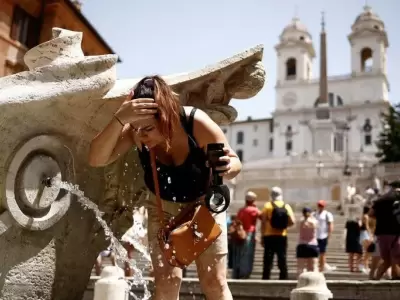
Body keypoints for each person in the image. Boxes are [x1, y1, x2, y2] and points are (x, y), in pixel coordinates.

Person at [89, 75, 242, 300]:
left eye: (148, 128)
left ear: (166, 116)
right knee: (167, 281)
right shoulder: (135, 131)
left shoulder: (195, 122)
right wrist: (119, 119)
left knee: (214, 282)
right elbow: (96, 159)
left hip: (205, 206)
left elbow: (236, 163)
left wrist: (228, 166)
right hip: (162, 207)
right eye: (137, 128)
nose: (142, 135)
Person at [260, 186, 295, 280]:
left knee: (268, 259)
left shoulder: (267, 206)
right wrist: (283, 226)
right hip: (282, 236)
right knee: (282, 257)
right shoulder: (286, 206)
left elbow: (263, 222)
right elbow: (292, 221)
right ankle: (283, 277)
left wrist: (262, 236)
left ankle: (266, 278)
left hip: (269, 236)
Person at [232, 191, 261, 279]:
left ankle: (237, 272)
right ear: (253, 201)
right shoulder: (254, 210)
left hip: (240, 234)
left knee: (239, 254)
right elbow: (263, 217)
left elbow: (237, 221)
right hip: (249, 233)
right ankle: (244, 273)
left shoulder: (241, 210)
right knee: (247, 254)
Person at [296, 207, 319, 277]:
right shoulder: (314, 221)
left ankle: (300, 281)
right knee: (313, 267)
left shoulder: (300, 221)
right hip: (312, 245)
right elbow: (317, 227)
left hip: (302, 244)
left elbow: (297, 228)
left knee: (300, 267)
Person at [314, 200, 336, 272]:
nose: (320, 207)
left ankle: (322, 268)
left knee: (322, 253)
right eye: (319, 205)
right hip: (315, 236)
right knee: (315, 253)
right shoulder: (314, 214)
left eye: (322, 206)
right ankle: (316, 267)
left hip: (323, 236)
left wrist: (329, 234)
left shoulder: (327, 214)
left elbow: (330, 225)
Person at [343, 207, 362, 273]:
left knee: (352, 254)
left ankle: (352, 268)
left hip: (350, 239)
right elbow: (360, 227)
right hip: (357, 239)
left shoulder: (348, 221)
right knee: (358, 253)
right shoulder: (357, 221)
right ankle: (356, 267)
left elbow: (345, 230)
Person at [359, 206, 373, 273]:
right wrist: (370, 235)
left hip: (362, 233)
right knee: (368, 250)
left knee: (367, 251)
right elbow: (367, 226)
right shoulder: (366, 216)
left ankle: (365, 266)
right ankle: (364, 266)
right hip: (364, 234)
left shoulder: (363, 216)